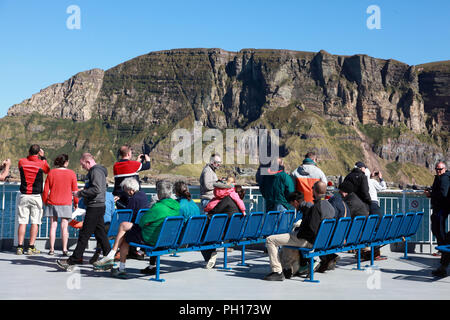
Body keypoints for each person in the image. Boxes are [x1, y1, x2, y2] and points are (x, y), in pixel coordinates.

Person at [93, 180, 180, 278]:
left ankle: (118, 265)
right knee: (125, 227)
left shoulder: (158, 207)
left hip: (151, 239)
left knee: (125, 236)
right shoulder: (176, 207)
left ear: (159, 193)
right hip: (166, 239)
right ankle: (111, 257)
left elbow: (142, 222)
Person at [263, 181, 335, 281]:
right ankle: (293, 267)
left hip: (309, 241)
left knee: (270, 240)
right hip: (321, 242)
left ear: (314, 190)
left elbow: (311, 229)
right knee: (288, 237)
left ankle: (277, 271)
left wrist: (298, 233)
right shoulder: (330, 207)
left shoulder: (316, 207)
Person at [56, 153, 111, 271]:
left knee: (84, 234)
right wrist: (85, 191)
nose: (83, 168)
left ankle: (73, 260)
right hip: (98, 205)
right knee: (100, 233)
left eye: (83, 165)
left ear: (88, 162)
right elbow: (97, 188)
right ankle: (109, 257)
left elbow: (96, 189)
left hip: (95, 206)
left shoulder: (95, 171)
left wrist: (80, 193)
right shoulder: (99, 171)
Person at [200, 185, 246, 269]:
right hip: (235, 233)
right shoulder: (236, 200)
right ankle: (211, 255)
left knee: (202, 237)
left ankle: (210, 256)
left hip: (225, 234)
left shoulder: (226, 199)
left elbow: (214, 212)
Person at [16, 144, 50, 255]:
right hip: (36, 197)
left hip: (24, 195)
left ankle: (20, 247)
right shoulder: (41, 163)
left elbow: (25, 162)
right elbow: (48, 171)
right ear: (38, 152)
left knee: (22, 222)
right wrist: (43, 157)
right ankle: (31, 247)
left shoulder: (21, 162)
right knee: (35, 222)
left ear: (29, 151)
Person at [42, 154, 79, 256]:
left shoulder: (51, 173)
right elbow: (75, 191)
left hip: (52, 202)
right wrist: (76, 202)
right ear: (66, 162)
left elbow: (45, 190)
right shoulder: (71, 173)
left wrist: (45, 201)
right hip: (66, 203)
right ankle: (64, 249)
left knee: (53, 226)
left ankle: (52, 249)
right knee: (64, 227)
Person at [113, 145, 151, 209]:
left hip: (119, 196)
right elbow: (147, 166)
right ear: (128, 154)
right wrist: (148, 160)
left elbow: (128, 169)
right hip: (131, 196)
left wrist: (137, 162)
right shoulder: (134, 164)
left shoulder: (116, 166)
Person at [425, 161, 450, 248]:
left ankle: (443, 249)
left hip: (442, 207)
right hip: (438, 207)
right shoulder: (439, 177)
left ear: (445, 169)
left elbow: (443, 193)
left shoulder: (445, 178)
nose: (438, 171)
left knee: (439, 228)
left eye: (440, 169)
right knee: (436, 228)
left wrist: (431, 194)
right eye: (436, 169)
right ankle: (442, 248)